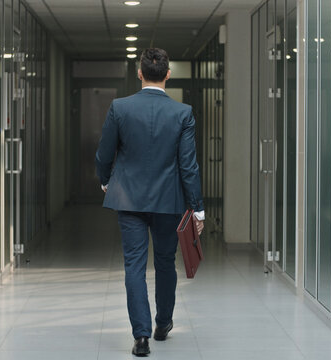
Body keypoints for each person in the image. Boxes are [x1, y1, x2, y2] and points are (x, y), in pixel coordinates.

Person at [95, 48, 205, 357]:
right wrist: (197, 207)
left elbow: (104, 152)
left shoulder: (120, 108)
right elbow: (188, 165)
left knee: (134, 265)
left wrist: (105, 180)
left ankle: (140, 336)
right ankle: (163, 323)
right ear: (168, 75)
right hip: (168, 201)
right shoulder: (182, 113)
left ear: (140, 74)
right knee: (166, 261)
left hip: (128, 198)